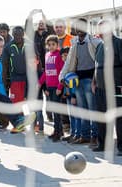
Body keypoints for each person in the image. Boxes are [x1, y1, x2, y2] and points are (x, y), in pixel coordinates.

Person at [59, 17, 101, 146]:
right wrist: (62, 76)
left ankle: (95, 136)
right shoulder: (74, 43)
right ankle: (85, 135)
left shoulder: (94, 41)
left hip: (90, 79)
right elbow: (69, 62)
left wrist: (96, 79)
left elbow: (100, 61)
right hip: (77, 80)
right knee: (82, 109)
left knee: (92, 109)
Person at [92, 19, 122, 155]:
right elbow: (97, 66)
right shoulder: (99, 45)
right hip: (100, 88)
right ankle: (103, 144)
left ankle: (121, 147)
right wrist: (94, 81)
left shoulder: (118, 43)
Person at [2, 26, 28, 133]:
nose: (18, 36)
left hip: (28, 79)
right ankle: (18, 124)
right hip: (15, 79)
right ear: (12, 34)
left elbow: (36, 60)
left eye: (20, 34)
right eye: (15, 34)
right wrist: (5, 81)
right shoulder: (8, 47)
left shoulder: (29, 45)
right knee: (16, 103)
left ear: (23, 34)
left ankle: (35, 125)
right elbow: (5, 65)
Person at [39, 35, 64, 142]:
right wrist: (40, 83)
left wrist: (60, 87)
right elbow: (46, 72)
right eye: (49, 45)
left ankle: (58, 132)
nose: (51, 46)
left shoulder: (59, 55)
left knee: (57, 111)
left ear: (57, 45)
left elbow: (62, 71)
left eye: (53, 44)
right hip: (50, 86)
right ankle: (57, 130)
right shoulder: (47, 55)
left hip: (57, 87)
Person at [0, 23, 13, 130]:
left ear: (8, 31)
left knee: (18, 99)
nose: (2, 34)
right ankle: (3, 123)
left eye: (4, 31)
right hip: (1, 75)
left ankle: (20, 122)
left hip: (14, 74)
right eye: (0, 32)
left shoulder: (13, 42)